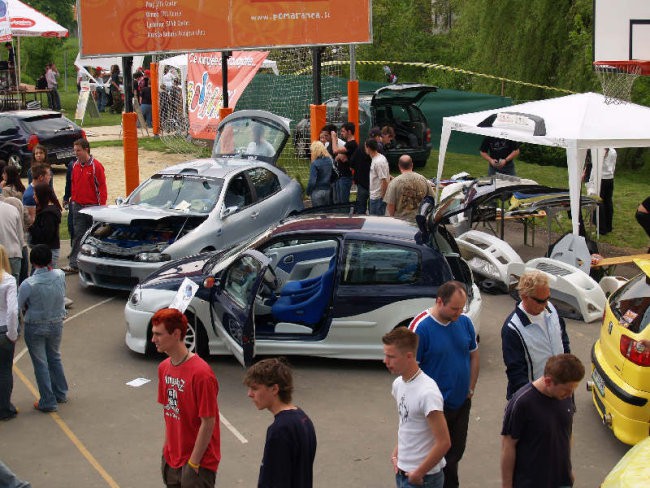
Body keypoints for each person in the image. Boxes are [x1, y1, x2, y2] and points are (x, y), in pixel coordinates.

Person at [408, 280, 479, 488]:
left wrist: (470, 389)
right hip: (434, 409)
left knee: (453, 455)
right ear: (439, 301)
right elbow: (410, 372)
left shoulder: (464, 322)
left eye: (462, 308)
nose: (459, 313)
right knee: (431, 459)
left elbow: (474, 356)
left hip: (460, 403)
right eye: (454, 308)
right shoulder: (421, 328)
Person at [152, 308, 220, 488]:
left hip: (196, 464)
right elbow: (170, 414)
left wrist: (193, 463)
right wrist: (166, 451)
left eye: (158, 334)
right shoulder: (164, 368)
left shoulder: (202, 374)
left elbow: (208, 422)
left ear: (176, 334)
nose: (153, 340)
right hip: (172, 460)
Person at [501, 354, 585, 488]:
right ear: (548, 381)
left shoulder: (565, 395)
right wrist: (507, 485)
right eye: (567, 390)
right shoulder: (522, 402)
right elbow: (508, 445)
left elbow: (565, 433)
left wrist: (568, 469)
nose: (570, 395)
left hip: (561, 481)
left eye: (573, 390)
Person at [382, 327, 451, 488]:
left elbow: (444, 442)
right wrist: (397, 452)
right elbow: (409, 423)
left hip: (423, 479)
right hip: (403, 472)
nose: (385, 361)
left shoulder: (428, 393)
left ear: (409, 356)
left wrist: (419, 473)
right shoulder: (398, 384)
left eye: (391, 356)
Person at [243, 357, 317, 488]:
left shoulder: (280, 430)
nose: (249, 394)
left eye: (255, 388)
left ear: (274, 389)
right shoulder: (303, 419)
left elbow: (274, 480)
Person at [501, 270, 571, 400]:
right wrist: (534, 402)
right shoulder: (512, 329)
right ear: (524, 296)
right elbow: (516, 373)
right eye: (540, 301)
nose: (545, 305)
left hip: (560, 390)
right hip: (535, 399)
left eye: (547, 298)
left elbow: (563, 340)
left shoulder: (551, 309)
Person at [18, 245, 68, 413]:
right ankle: (60, 392)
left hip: (35, 324)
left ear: (33, 262)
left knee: (40, 363)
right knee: (54, 357)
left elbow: (19, 305)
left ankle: (48, 400)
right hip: (56, 322)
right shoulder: (60, 275)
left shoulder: (28, 284)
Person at [64, 138, 107, 274]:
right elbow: (73, 185)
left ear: (86, 150)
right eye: (75, 150)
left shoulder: (96, 166)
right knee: (78, 234)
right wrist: (72, 200)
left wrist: (101, 207)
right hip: (78, 205)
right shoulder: (75, 166)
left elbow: (101, 188)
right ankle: (74, 263)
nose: (76, 153)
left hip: (93, 206)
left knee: (95, 236)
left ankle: (97, 263)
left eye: (78, 150)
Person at [384, 155, 434, 221]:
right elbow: (432, 198)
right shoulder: (423, 179)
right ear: (412, 165)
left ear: (399, 166)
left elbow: (390, 205)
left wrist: (392, 219)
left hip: (401, 221)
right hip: (419, 221)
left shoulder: (394, 183)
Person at [0, 244, 19, 421]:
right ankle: (4, 407)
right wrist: (12, 334)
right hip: (3, 330)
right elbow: (12, 311)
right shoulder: (8, 280)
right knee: (5, 370)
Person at [29, 183, 62, 268]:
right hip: (43, 251)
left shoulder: (48, 215)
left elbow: (46, 236)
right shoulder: (43, 210)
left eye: (35, 194)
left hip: (47, 253)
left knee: (43, 279)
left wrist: (31, 227)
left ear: (41, 195)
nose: (33, 196)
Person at [589, 148, 616, 235]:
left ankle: (602, 229)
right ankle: (608, 227)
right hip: (609, 178)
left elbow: (596, 167)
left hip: (601, 179)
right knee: (608, 202)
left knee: (599, 203)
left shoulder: (601, 151)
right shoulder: (613, 151)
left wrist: (591, 180)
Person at [330, 122, 357, 204]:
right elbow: (339, 156)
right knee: (338, 201)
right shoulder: (348, 144)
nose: (341, 133)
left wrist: (334, 138)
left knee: (343, 203)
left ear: (349, 132)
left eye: (343, 131)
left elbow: (335, 151)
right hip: (341, 176)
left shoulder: (351, 144)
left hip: (345, 177)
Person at [0, 199, 24, 283]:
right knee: (13, 288)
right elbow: (20, 236)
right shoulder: (13, 209)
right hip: (14, 253)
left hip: (3, 254)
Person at [366, 138, 391, 216]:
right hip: (375, 196)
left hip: (378, 198)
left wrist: (383, 197)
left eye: (365, 147)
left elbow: (384, 180)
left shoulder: (378, 162)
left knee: (376, 222)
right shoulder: (378, 158)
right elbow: (386, 175)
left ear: (368, 148)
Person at [306, 141, 333, 208]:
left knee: (318, 214)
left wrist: (308, 191)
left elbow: (312, 181)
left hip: (317, 191)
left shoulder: (315, 163)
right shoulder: (330, 160)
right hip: (328, 190)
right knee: (328, 213)